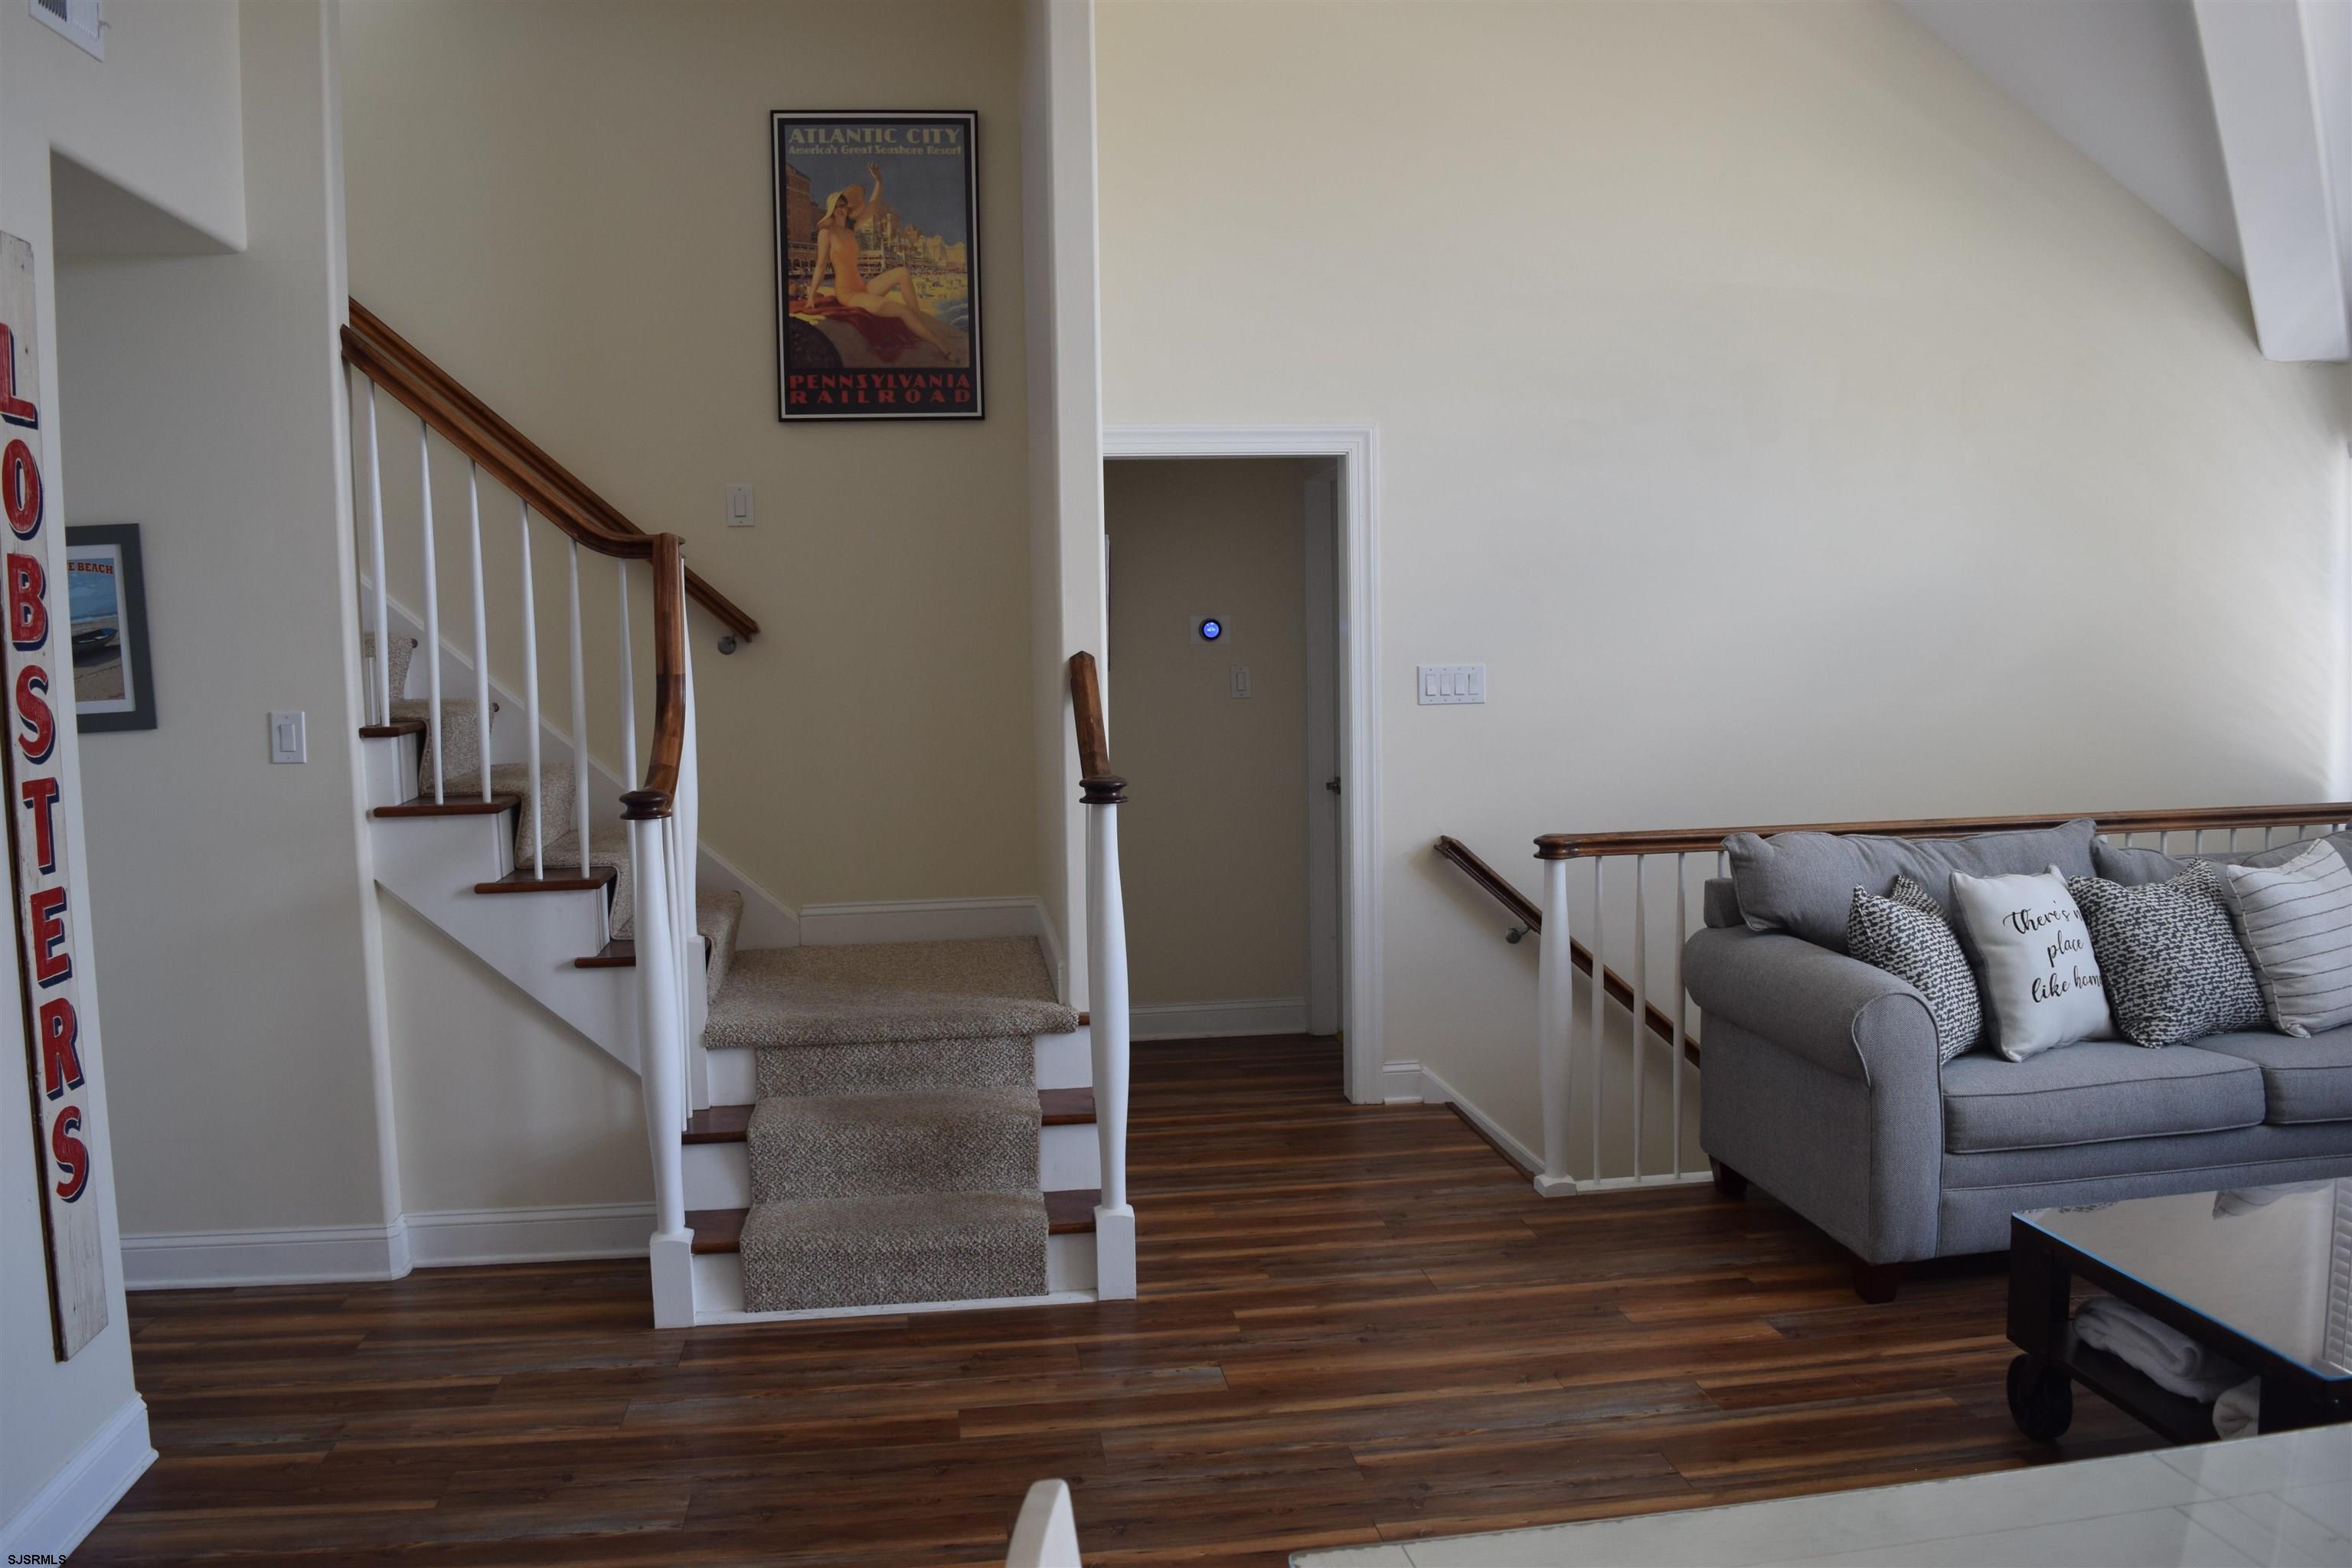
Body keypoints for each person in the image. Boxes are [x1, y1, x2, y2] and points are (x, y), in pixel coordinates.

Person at [804, 162, 955, 356]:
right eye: (837, 206)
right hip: (848, 294)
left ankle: (918, 320)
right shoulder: (826, 233)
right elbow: (820, 266)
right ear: (831, 210)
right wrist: (810, 297)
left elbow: (873, 206)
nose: (841, 209)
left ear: (847, 209)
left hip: (864, 286)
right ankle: (943, 348)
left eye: (843, 205)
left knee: (903, 272)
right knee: (901, 311)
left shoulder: (851, 229)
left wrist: (879, 181)